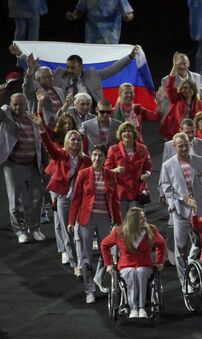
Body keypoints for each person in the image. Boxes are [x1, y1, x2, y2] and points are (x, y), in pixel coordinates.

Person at [32, 93, 92, 273]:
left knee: (80, 231)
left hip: (79, 196)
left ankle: (81, 258)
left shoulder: (85, 158)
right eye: (72, 139)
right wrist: (40, 109)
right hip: (61, 191)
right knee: (64, 227)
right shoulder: (59, 151)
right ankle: (72, 260)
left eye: (77, 139)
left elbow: (92, 173)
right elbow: (47, 141)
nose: (74, 140)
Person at [159, 133, 202, 295]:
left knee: (201, 243)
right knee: (180, 248)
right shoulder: (168, 165)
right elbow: (167, 188)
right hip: (180, 212)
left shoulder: (199, 160)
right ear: (174, 147)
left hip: (201, 211)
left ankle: (194, 267)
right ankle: (185, 281)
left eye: (186, 145)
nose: (184, 148)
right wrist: (176, 204)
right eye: (180, 146)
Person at [0, 84, 45, 244]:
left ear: (27, 104)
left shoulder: (31, 117)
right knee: (15, 201)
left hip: (33, 164)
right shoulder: (5, 114)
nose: (18, 107)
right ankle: (20, 230)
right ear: (11, 104)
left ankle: (34, 228)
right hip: (14, 165)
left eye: (21, 104)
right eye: (15, 104)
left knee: (37, 199)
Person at [68, 144, 122, 304]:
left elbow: (114, 200)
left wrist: (119, 221)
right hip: (86, 218)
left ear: (105, 159)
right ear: (91, 156)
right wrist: (71, 221)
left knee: (106, 251)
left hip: (104, 218)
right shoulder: (84, 174)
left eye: (101, 156)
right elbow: (76, 198)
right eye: (95, 155)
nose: (97, 158)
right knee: (86, 255)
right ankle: (89, 289)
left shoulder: (110, 176)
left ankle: (98, 277)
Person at [11, 45, 138, 105]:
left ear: (81, 67)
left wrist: (130, 57)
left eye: (73, 67)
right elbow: (39, 68)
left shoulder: (92, 74)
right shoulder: (59, 74)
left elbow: (112, 69)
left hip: (90, 113)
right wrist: (20, 54)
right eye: (68, 66)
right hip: (65, 113)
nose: (69, 70)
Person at [101, 207, 166, 319]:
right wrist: (109, 264)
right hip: (126, 265)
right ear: (133, 221)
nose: (144, 219)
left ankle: (141, 308)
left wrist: (160, 261)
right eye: (141, 218)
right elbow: (104, 245)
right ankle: (133, 308)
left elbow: (162, 244)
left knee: (140, 272)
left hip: (145, 265)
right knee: (131, 272)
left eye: (144, 217)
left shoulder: (151, 230)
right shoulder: (119, 232)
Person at [104, 122, 153, 217]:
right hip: (120, 193)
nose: (127, 133)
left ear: (134, 134)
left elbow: (149, 167)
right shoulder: (113, 149)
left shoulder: (143, 148)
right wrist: (116, 170)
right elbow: (106, 171)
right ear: (120, 134)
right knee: (121, 224)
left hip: (138, 192)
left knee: (137, 222)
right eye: (124, 131)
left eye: (129, 131)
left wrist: (147, 174)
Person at [160, 53, 202, 140]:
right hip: (176, 130)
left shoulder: (197, 102)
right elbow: (169, 88)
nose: (187, 90)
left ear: (188, 64)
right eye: (184, 88)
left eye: (184, 63)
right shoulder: (176, 98)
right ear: (180, 89)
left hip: (193, 130)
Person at [23, 55, 68, 130]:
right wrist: (30, 69)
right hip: (42, 129)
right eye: (46, 77)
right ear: (38, 80)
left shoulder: (60, 91)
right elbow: (27, 85)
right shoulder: (34, 91)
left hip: (60, 129)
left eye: (51, 76)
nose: (50, 79)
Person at [66, 0, 134, 44]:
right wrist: (74, 16)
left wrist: (128, 17)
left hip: (110, 37)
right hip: (92, 36)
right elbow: (79, 10)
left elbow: (129, 13)